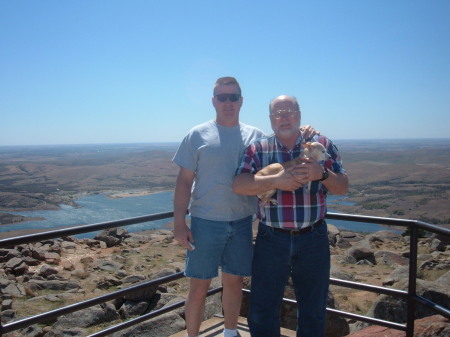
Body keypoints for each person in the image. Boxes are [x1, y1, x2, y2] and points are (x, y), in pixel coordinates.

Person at [173, 79, 317, 337]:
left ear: (241, 101)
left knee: (235, 281)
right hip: (205, 222)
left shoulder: (256, 135)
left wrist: (306, 132)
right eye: (222, 97)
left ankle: (230, 332)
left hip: (241, 222)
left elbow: (285, 153)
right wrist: (179, 223)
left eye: (233, 97)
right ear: (214, 101)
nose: (228, 102)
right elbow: (184, 181)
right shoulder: (197, 135)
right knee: (198, 288)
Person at [232, 95, 348, 337]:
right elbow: (239, 184)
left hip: (313, 238)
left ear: (299, 114)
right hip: (271, 239)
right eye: (278, 113)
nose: (284, 117)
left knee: (314, 310)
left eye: (289, 111)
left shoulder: (321, 144)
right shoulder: (258, 148)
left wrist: (322, 174)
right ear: (270, 119)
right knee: (262, 309)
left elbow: (343, 187)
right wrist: (276, 180)